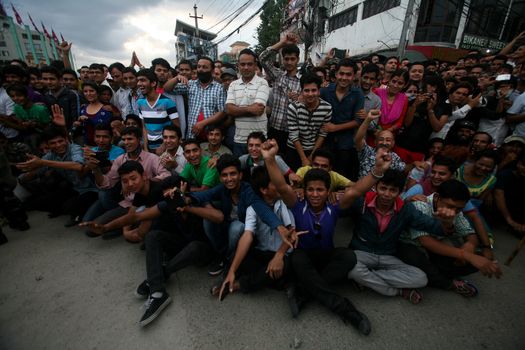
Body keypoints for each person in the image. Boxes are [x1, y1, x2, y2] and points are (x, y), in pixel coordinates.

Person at [262, 139, 393, 335]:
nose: (315, 194)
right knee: (297, 257)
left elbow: (357, 190)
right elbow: (281, 187)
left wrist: (378, 170)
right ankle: (347, 311)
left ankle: (302, 293)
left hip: (326, 256)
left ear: (328, 191)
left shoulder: (335, 205)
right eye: (311, 190)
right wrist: (269, 159)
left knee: (349, 256)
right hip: (303, 256)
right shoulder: (297, 203)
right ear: (304, 191)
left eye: (320, 190)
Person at [80, 174, 223, 326]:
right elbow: (136, 217)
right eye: (166, 195)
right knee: (153, 236)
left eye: (173, 193)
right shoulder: (168, 202)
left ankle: (158, 275)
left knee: (194, 246)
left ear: (184, 189)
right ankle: (157, 292)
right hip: (182, 244)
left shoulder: (200, 199)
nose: (169, 197)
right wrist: (106, 227)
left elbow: (218, 217)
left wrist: (187, 206)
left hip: (205, 250)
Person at [348, 168, 463, 304]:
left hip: (387, 255)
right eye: (383, 188)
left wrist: (447, 224)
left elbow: (432, 226)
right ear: (375, 187)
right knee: (351, 269)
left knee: (421, 279)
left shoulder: (406, 210)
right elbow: (342, 204)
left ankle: (366, 280)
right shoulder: (362, 203)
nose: (386, 194)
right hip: (361, 253)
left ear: (400, 192)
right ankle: (399, 291)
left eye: (393, 190)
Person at [188, 154, 291, 276]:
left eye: (233, 174)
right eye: (224, 175)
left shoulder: (249, 191)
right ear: (220, 178)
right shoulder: (222, 189)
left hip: (245, 235)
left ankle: (229, 260)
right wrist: (186, 198)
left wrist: (279, 226)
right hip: (227, 229)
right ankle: (222, 255)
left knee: (237, 227)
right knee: (208, 220)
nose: (229, 178)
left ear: (240, 175)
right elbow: (205, 195)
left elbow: (263, 209)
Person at [398, 180, 502, 297]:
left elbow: (469, 233)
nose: (454, 211)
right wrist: (466, 255)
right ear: (437, 197)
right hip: (410, 245)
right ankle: (448, 283)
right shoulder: (420, 204)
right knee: (418, 260)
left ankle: (436, 272)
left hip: (436, 248)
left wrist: (470, 246)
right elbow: (426, 242)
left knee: (478, 259)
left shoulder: (456, 211)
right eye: (450, 206)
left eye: (458, 209)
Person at [216, 166, 295, 299]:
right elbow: (247, 235)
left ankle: (239, 285)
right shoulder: (252, 209)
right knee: (239, 256)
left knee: (287, 265)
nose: (281, 186)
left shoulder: (283, 203)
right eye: (276, 183)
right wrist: (232, 270)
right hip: (263, 252)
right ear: (264, 190)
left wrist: (279, 256)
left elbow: (292, 234)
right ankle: (278, 282)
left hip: (284, 253)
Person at [84, 126, 170, 236]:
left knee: (137, 229)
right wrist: (95, 169)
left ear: (139, 140)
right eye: (123, 139)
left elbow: (166, 175)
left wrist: (145, 182)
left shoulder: (152, 158)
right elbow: (107, 183)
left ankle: (126, 225)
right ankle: (125, 225)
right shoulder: (120, 159)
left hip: (147, 203)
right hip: (128, 204)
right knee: (91, 231)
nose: (126, 142)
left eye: (130, 139)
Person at [16, 126, 98, 226]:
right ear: (47, 144)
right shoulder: (51, 155)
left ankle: (87, 210)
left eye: (60, 141)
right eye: (53, 143)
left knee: (69, 206)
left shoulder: (75, 149)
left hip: (93, 190)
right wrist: (26, 169)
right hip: (76, 189)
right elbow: (36, 171)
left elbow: (78, 166)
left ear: (66, 140)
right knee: (38, 203)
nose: (58, 145)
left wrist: (43, 162)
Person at [320, 58, 364, 181]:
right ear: (336, 74)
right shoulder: (325, 91)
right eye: (341, 73)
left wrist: (335, 128)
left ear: (354, 76)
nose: (344, 78)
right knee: (322, 174)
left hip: (345, 143)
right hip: (325, 141)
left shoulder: (358, 94)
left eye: (348, 74)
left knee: (340, 177)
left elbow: (357, 120)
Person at [164, 56, 226, 139]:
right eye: (199, 67)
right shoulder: (190, 84)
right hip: (192, 135)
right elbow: (167, 89)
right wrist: (176, 78)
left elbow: (222, 112)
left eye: (204, 67)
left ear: (212, 70)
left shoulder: (219, 88)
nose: (200, 69)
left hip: (211, 136)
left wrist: (202, 123)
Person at [259, 33, 301, 151]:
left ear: (298, 59)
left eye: (292, 59)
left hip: (293, 132)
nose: (289, 62)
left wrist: (300, 99)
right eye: (286, 59)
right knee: (273, 161)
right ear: (282, 60)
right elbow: (263, 59)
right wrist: (282, 43)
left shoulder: (304, 80)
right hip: (275, 128)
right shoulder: (278, 75)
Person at [225, 49, 270, 157]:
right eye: (243, 64)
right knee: (240, 172)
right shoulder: (233, 85)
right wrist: (250, 109)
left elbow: (258, 110)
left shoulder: (262, 83)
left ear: (255, 65)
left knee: (259, 173)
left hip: (259, 141)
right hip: (239, 140)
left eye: (249, 64)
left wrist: (237, 110)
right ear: (238, 66)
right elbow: (229, 110)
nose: (246, 67)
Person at [285, 73, 332, 171]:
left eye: (314, 90)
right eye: (306, 90)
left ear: (319, 91)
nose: (310, 94)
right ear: (301, 91)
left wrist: (312, 156)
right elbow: (294, 136)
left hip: (314, 150)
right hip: (294, 150)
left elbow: (323, 134)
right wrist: (304, 159)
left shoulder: (327, 108)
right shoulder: (293, 108)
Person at [136, 69, 179, 151]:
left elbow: (176, 127)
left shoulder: (167, 102)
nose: (139, 84)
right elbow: (144, 128)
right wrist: (145, 148)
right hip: (149, 148)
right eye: (138, 81)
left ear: (153, 83)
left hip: (166, 149)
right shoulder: (140, 103)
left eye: (143, 80)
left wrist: (163, 146)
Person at [354, 110, 405, 179]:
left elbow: (404, 168)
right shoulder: (368, 152)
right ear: (375, 142)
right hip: (364, 189)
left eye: (388, 140)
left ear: (393, 143)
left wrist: (414, 164)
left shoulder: (395, 157)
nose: (384, 143)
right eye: (381, 139)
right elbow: (358, 139)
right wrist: (368, 119)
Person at [495, 153, 525, 235]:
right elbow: (499, 196)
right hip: (501, 211)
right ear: (518, 164)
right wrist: (510, 220)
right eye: (524, 165)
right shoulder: (505, 175)